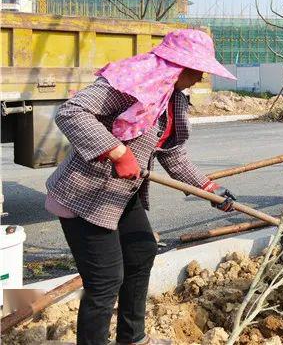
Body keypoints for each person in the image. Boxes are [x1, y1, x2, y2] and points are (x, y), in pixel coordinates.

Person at [45, 29, 238, 345]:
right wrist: (118, 152)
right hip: (85, 197)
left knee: (141, 250)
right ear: (178, 65)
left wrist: (210, 190)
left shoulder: (172, 99)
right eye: (198, 67)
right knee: (105, 280)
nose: (202, 75)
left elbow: (173, 154)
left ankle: (131, 339)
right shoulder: (131, 84)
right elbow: (71, 112)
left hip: (120, 197)